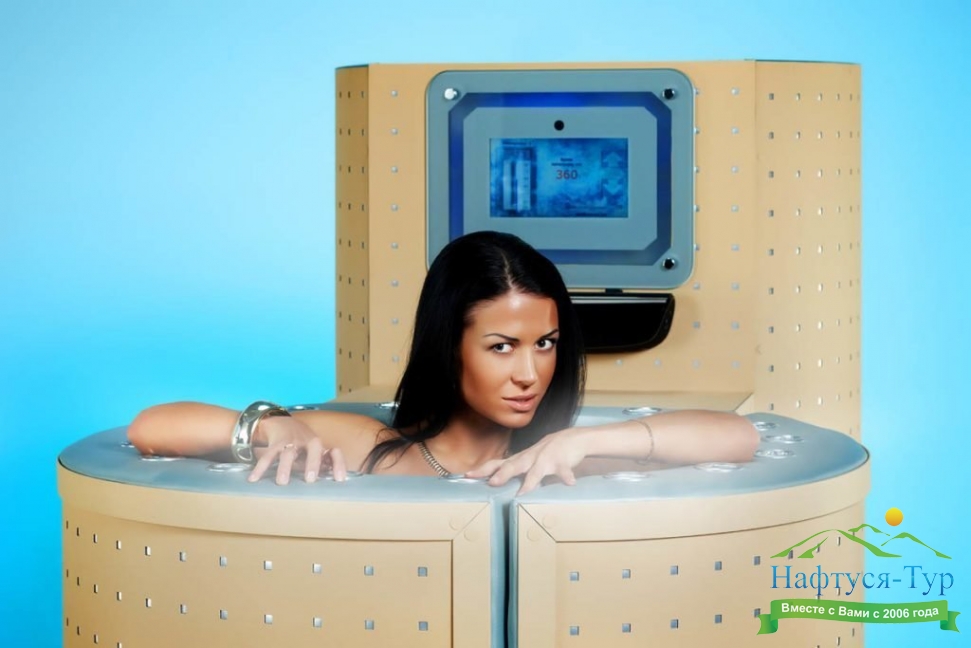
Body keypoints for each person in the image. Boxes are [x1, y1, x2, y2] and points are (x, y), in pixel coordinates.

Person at [128, 231, 758, 494]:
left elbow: (739, 437)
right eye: (501, 346)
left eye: (545, 343)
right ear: (447, 346)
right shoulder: (371, 447)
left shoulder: (562, 457)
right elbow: (151, 428)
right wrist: (270, 426)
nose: (529, 373)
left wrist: (586, 441)